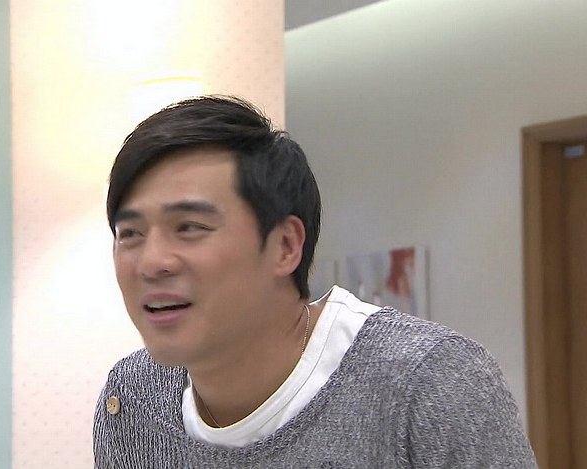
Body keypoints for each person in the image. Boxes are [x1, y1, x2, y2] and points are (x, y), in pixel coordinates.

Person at [93, 95, 537, 468]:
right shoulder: (132, 398)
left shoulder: (429, 381)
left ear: (285, 245)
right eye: (130, 234)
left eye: (190, 227)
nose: (151, 262)